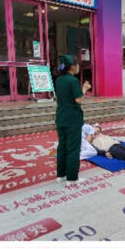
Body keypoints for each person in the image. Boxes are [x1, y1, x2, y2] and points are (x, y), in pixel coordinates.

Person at [53, 56, 91, 185]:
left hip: (61, 117)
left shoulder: (59, 79)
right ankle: (72, 177)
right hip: (72, 118)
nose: (79, 67)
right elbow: (78, 99)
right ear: (73, 66)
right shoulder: (73, 80)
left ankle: (61, 175)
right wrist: (84, 89)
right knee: (73, 148)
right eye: (78, 64)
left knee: (62, 146)